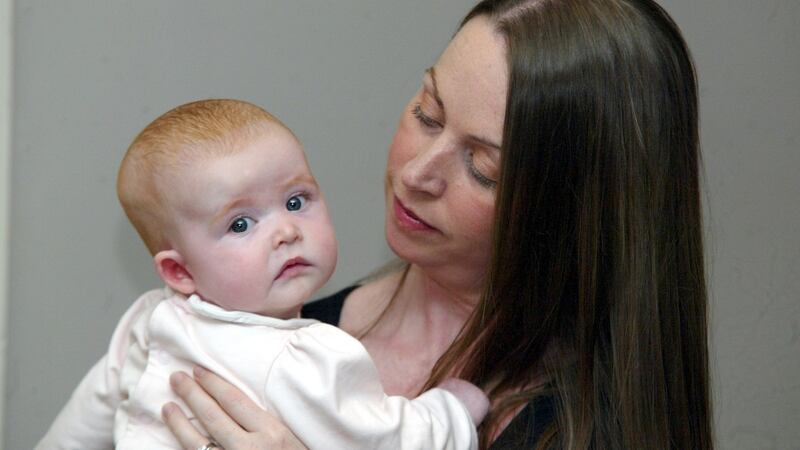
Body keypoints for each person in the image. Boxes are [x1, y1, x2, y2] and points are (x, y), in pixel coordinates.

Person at [163, 0, 712, 448]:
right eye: (427, 113)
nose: (417, 173)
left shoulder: (582, 431)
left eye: (484, 167)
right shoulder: (267, 326)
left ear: (569, 212)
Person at [37, 99, 490, 450]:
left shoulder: (151, 320)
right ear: (178, 270)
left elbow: (81, 425)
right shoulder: (303, 357)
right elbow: (390, 439)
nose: (286, 232)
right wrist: (452, 407)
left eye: (296, 201)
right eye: (240, 224)